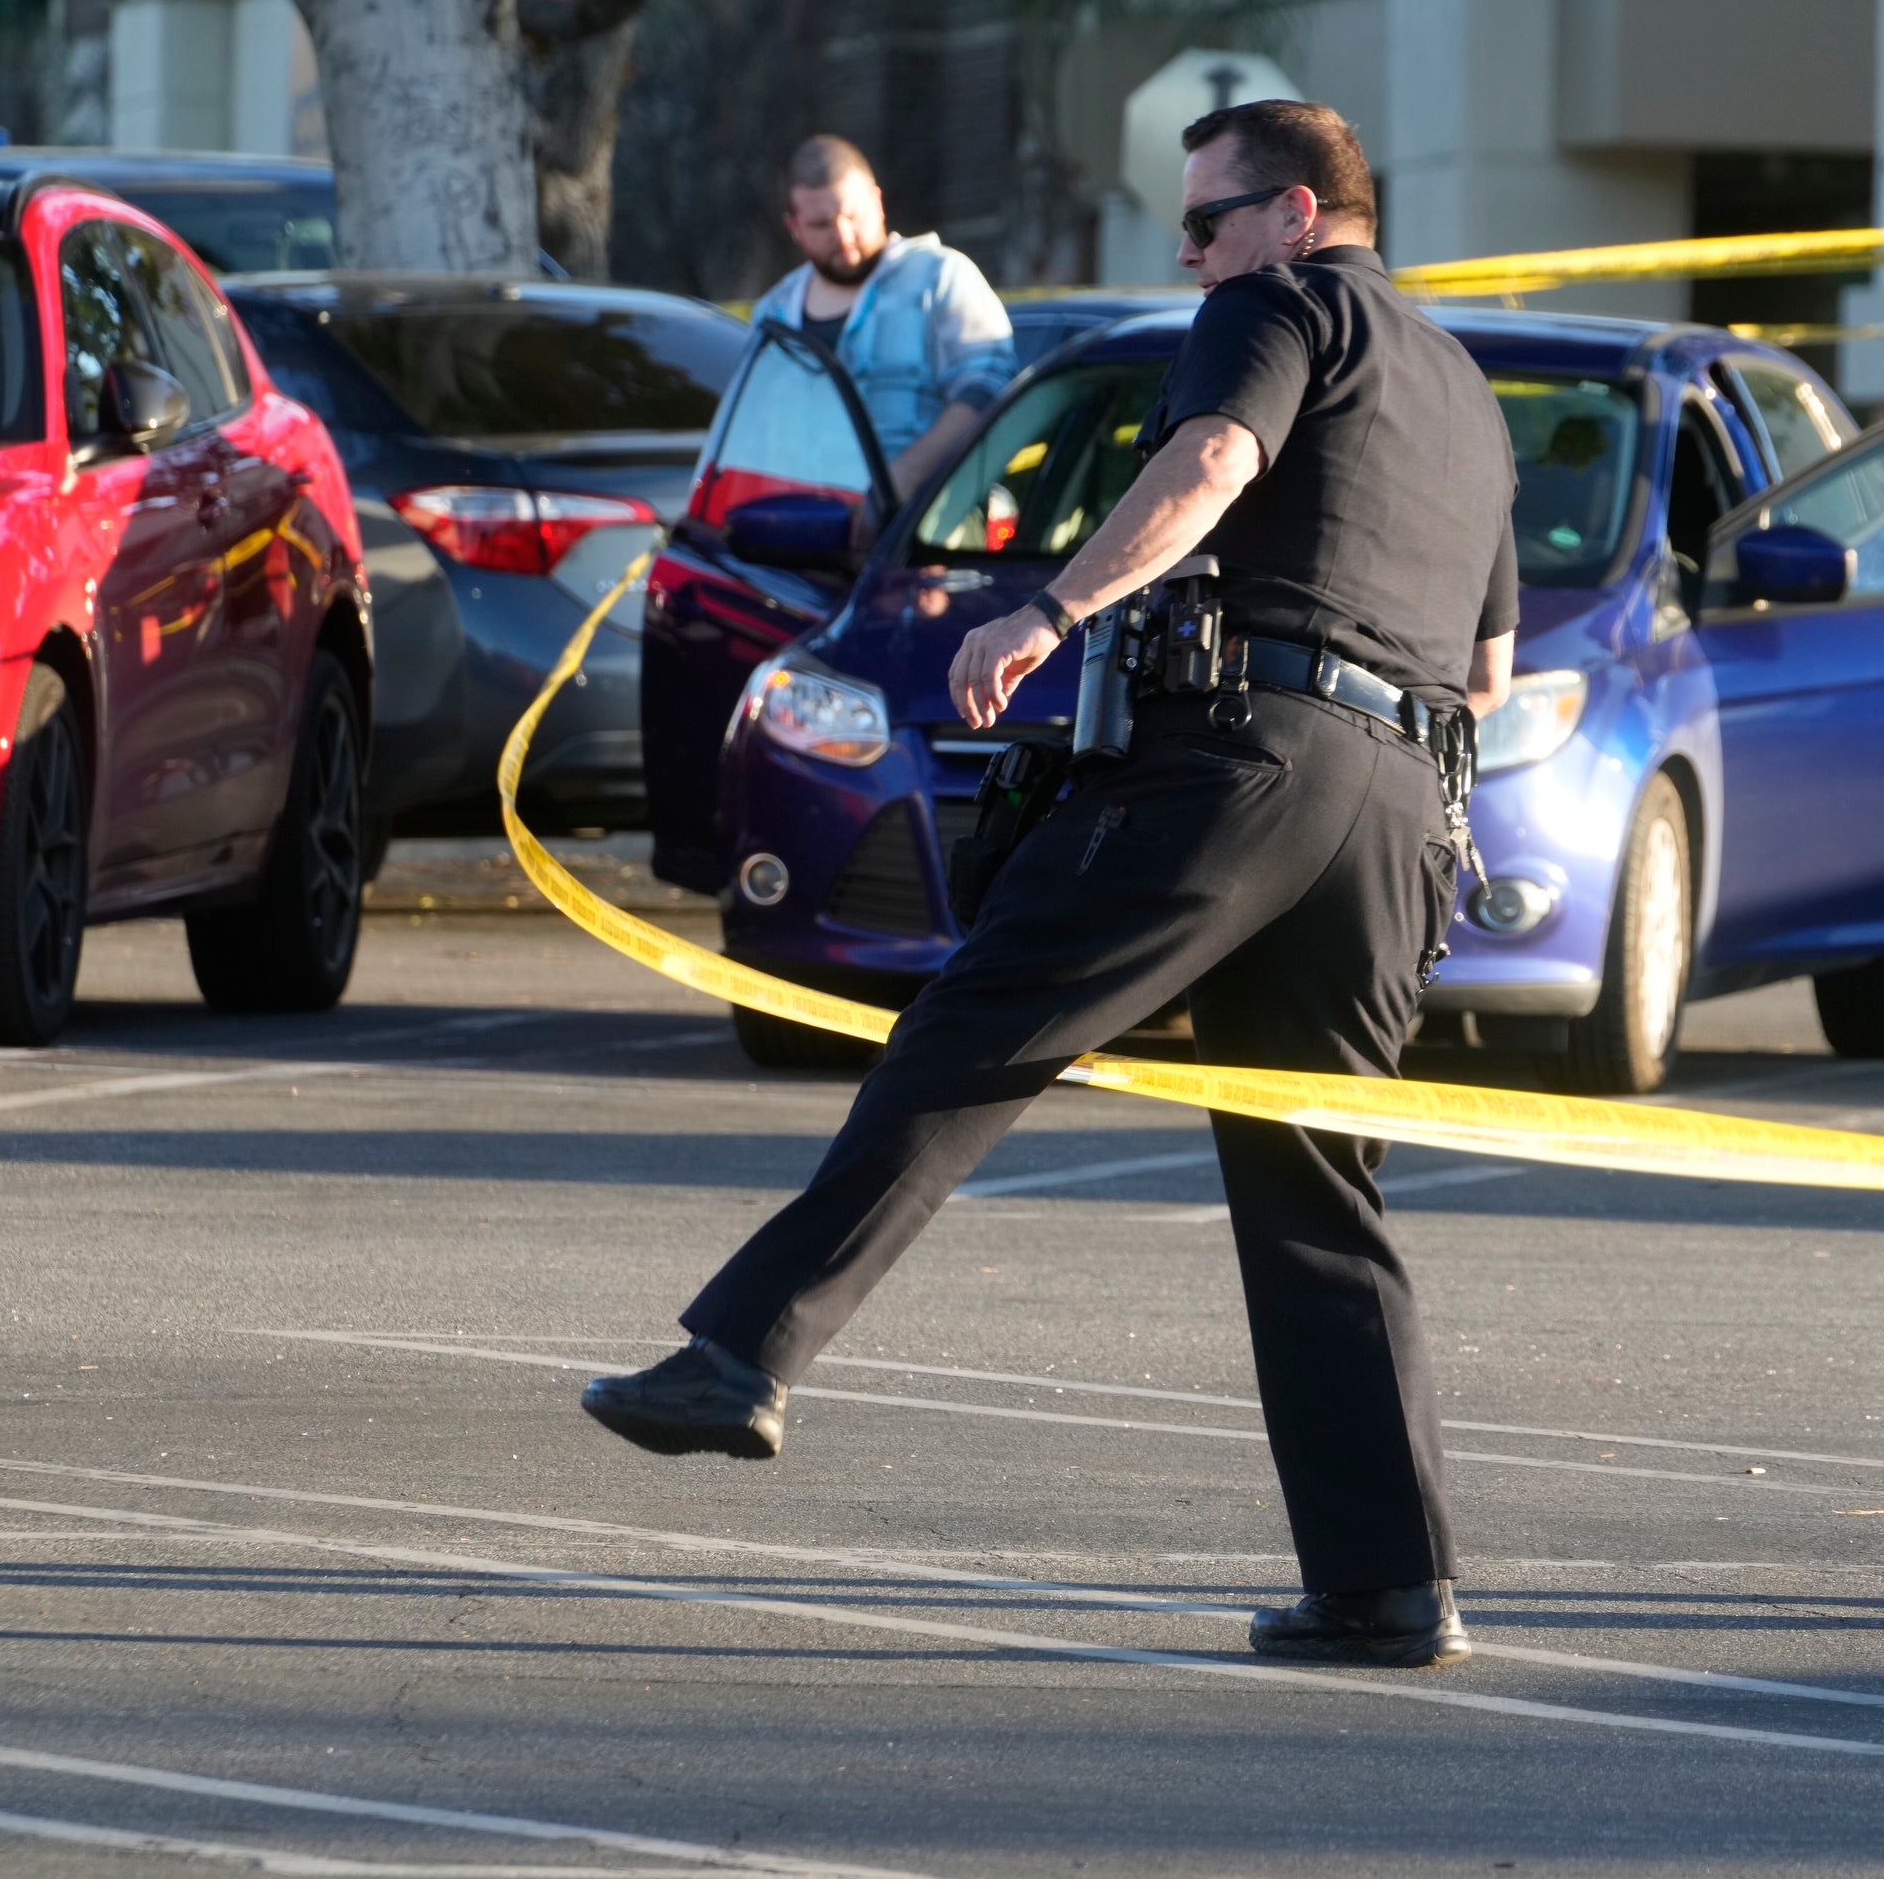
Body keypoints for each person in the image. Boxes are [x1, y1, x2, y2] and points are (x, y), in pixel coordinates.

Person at [582, 100, 1520, 1671]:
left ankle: (741, 1354)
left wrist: (1054, 610)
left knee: (972, 1027)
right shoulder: (1468, 394)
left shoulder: (1273, 309)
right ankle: (1389, 1586)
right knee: (1316, 1189)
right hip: (1406, 805)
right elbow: (1492, 666)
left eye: (1206, 219)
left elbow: (1218, 457)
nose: (1188, 248)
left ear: (1294, 216)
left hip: (1246, 763)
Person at [749, 134, 1017, 499]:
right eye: (821, 225)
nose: (843, 236)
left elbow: (990, 391)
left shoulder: (940, 277)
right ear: (795, 227)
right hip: (798, 539)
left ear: (876, 202)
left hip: (919, 536)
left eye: (852, 215)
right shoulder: (773, 313)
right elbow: (751, 435)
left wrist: (902, 479)